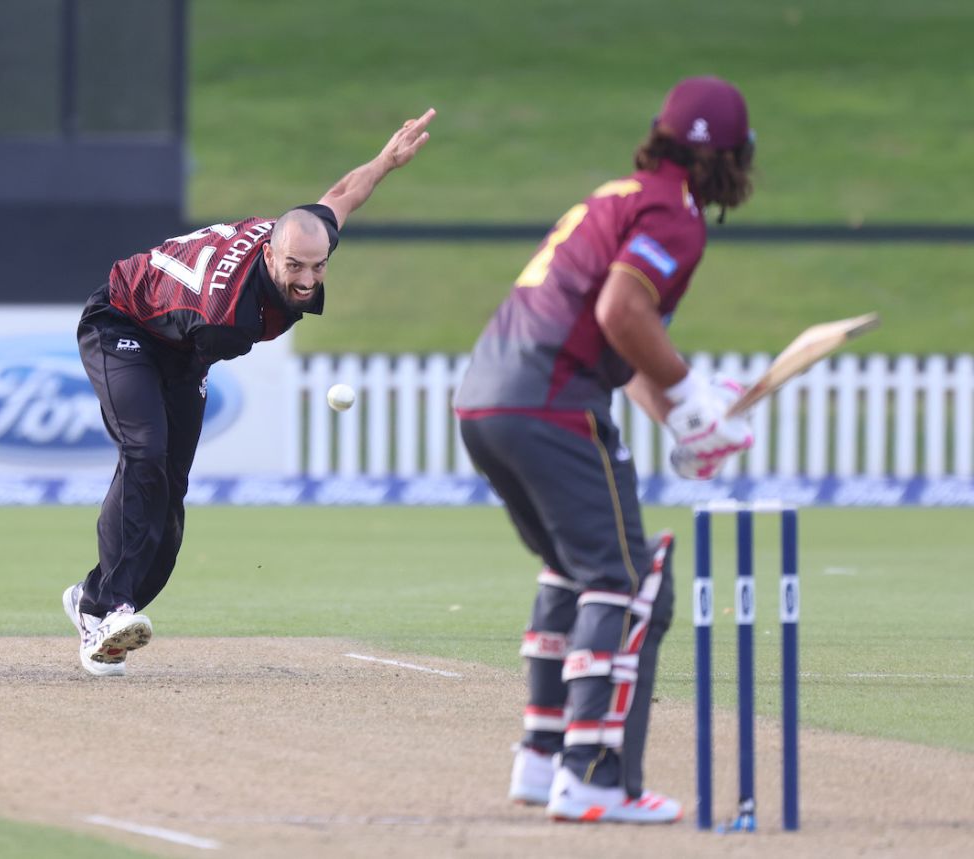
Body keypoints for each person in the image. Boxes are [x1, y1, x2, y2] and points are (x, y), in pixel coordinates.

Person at [453, 77, 757, 823]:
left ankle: (541, 758)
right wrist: (691, 395)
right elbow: (621, 310)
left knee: (575, 566)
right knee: (625, 578)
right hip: (551, 400)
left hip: (487, 397)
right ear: (727, 156)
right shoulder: (676, 216)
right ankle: (593, 773)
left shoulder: (621, 193)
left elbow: (622, 342)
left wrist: (686, 421)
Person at [62, 109, 436, 676]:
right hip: (120, 324)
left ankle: (98, 599)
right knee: (145, 454)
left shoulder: (307, 236)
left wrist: (386, 160)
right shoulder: (228, 317)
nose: (307, 281)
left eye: (317, 266)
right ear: (268, 255)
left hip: (181, 342)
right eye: (294, 268)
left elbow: (341, 194)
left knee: (171, 490)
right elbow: (187, 350)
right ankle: (104, 612)